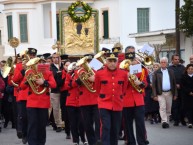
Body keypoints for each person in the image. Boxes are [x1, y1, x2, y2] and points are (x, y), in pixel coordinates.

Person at [20, 57, 56, 145]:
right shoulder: (29, 72)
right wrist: (28, 81)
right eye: (36, 63)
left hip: (43, 103)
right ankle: (32, 143)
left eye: (40, 63)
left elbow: (54, 84)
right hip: (32, 103)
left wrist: (44, 82)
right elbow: (22, 86)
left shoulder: (48, 72)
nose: (38, 65)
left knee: (42, 125)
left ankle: (41, 142)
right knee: (32, 124)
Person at [95, 52, 128, 145]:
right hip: (104, 103)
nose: (112, 63)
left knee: (115, 128)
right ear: (106, 62)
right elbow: (97, 88)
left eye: (114, 61)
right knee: (106, 126)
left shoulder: (123, 74)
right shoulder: (99, 73)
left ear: (117, 62)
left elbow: (124, 89)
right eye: (110, 61)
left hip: (117, 104)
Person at [152, 57, 178, 128]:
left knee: (168, 108)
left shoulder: (171, 71)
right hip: (160, 93)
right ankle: (164, 121)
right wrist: (154, 95)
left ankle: (167, 121)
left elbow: (174, 83)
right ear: (160, 63)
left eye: (164, 62)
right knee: (162, 107)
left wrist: (175, 94)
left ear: (167, 63)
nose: (163, 63)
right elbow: (154, 85)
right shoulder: (156, 72)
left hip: (169, 93)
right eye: (162, 62)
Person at [168, 54, 186, 126]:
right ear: (172, 60)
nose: (177, 60)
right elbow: (168, 79)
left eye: (178, 59)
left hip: (182, 89)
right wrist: (174, 85)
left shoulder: (183, 68)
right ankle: (176, 120)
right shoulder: (169, 68)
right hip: (173, 90)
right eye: (175, 59)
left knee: (182, 105)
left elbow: (185, 78)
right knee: (175, 106)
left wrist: (180, 85)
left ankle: (182, 119)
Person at [50, 53, 63, 132]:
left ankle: (64, 123)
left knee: (63, 108)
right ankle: (58, 124)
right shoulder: (50, 68)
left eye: (57, 58)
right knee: (56, 108)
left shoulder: (63, 66)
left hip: (63, 90)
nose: (55, 59)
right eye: (54, 58)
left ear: (59, 58)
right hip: (55, 90)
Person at [180, 64, 193, 128]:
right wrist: (189, 92)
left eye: (192, 69)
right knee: (187, 108)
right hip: (186, 95)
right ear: (187, 70)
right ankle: (189, 122)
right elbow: (182, 86)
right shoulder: (183, 76)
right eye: (189, 69)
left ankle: (191, 121)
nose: (190, 70)